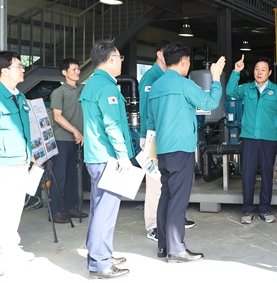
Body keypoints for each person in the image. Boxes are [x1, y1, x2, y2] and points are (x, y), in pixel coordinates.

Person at [147, 42, 225, 263]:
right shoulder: (184, 84)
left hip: (162, 150)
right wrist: (216, 78)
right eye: (189, 62)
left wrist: (153, 152)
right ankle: (176, 249)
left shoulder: (156, 86)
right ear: (183, 62)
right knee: (178, 201)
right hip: (181, 149)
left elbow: (150, 121)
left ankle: (163, 246)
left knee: (166, 197)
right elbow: (209, 102)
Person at [80, 40, 133, 279]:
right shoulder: (108, 88)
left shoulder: (92, 84)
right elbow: (112, 125)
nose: (121, 61)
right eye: (120, 57)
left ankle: (98, 253)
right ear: (111, 59)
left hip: (96, 156)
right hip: (107, 157)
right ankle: (100, 264)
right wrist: (123, 156)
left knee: (98, 208)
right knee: (105, 211)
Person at [138, 40, 196, 242]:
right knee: (156, 185)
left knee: (168, 186)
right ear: (159, 55)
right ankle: (153, 225)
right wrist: (145, 138)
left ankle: (172, 220)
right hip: (153, 137)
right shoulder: (151, 78)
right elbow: (147, 111)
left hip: (163, 136)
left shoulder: (165, 78)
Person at [226, 54, 277, 224]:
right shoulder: (246, 89)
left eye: (263, 70)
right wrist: (235, 72)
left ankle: (265, 209)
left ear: (269, 73)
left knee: (267, 174)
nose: (259, 72)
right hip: (249, 138)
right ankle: (247, 210)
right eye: (256, 69)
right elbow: (230, 91)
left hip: (269, 138)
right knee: (248, 174)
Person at [0, 51, 35, 273]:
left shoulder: (19, 96)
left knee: (14, 207)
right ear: (4, 70)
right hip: (4, 161)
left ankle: (10, 247)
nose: (23, 69)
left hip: (21, 159)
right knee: (4, 207)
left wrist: (29, 152)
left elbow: (24, 129)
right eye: (18, 66)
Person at [48, 58, 88, 224]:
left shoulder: (82, 90)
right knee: (60, 175)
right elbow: (57, 117)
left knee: (74, 175)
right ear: (64, 73)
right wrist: (75, 131)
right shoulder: (59, 92)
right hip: (62, 139)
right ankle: (55, 211)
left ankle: (70, 207)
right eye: (73, 69)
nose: (77, 72)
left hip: (78, 140)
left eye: (78, 69)